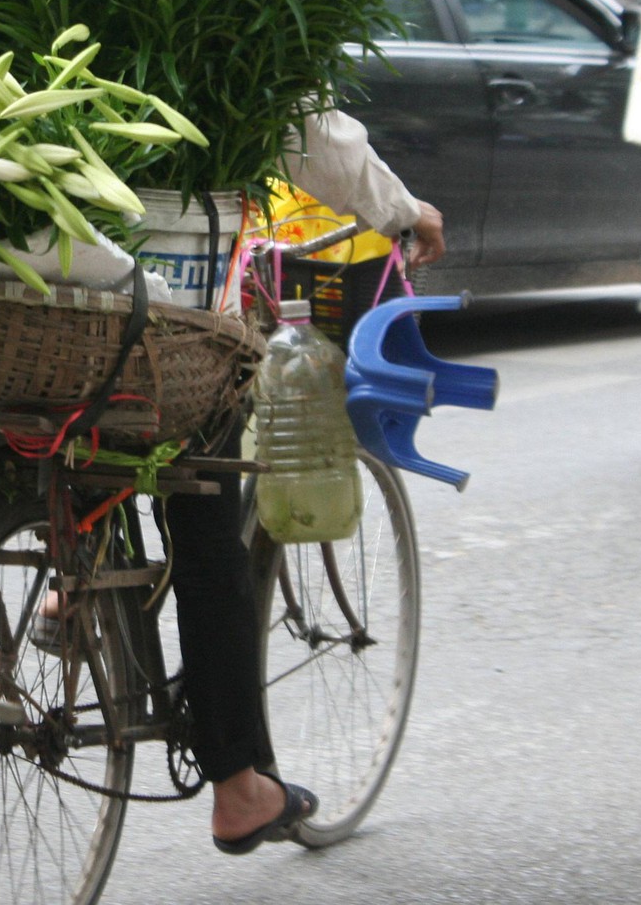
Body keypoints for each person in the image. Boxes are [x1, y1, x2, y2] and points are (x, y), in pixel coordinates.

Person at [159, 107, 443, 853]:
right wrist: (404, 211)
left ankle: (67, 583)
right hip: (164, 275)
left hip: (34, 272)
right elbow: (307, 127)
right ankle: (239, 790)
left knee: (78, 444)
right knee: (206, 513)